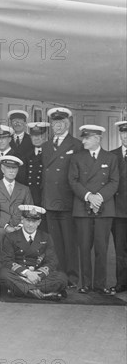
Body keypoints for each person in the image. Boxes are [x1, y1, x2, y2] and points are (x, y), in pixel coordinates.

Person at [68, 125, 119, 294]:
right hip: (83, 208)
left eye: (86, 138)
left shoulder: (110, 158)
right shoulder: (77, 158)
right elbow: (73, 181)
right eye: (83, 138)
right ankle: (85, 283)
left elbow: (114, 181)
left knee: (101, 248)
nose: (83, 141)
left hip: (104, 208)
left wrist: (99, 198)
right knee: (83, 247)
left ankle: (100, 284)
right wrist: (89, 196)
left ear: (97, 138)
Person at [41, 107, 82, 287]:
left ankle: (72, 277)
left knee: (69, 242)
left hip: (67, 200)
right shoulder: (46, 145)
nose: (57, 126)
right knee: (55, 243)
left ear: (67, 124)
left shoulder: (76, 145)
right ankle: (59, 275)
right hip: (50, 199)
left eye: (60, 123)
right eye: (54, 123)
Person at [0, 205, 68, 301]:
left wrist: (37, 275)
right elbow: (6, 260)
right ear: (22, 220)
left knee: (62, 278)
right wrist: (27, 273)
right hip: (20, 275)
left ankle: (25, 290)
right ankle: (42, 294)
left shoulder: (46, 237)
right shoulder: (11, 237)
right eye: (28, 220)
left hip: (38, 277)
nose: (30, 224)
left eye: (34, 221)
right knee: (3, 274)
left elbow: (52, 261)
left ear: (39, 222)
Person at [0, 156, 33, 257]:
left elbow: (29, 212)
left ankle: (22, 265)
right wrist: (7, 226)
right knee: (2, 233)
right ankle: (1, 263)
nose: (11, 171)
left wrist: (20, 226)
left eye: (14, 168)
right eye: (8, 168)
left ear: (17, 170)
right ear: (2, 169)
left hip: (19, 225)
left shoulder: (24, 189)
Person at [111, 120, 127, 293]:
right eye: (123, 133)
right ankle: (122, 282)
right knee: (120, 250)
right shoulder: (112, 156)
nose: (126, 136)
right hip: (118, 212)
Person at [25, 122, 49, 210]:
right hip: (31, 196)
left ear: (46, 136)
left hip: (46, 196)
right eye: (34, 135)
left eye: (40, 135)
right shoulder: (27, 155)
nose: (37, 138)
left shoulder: (51, 154)